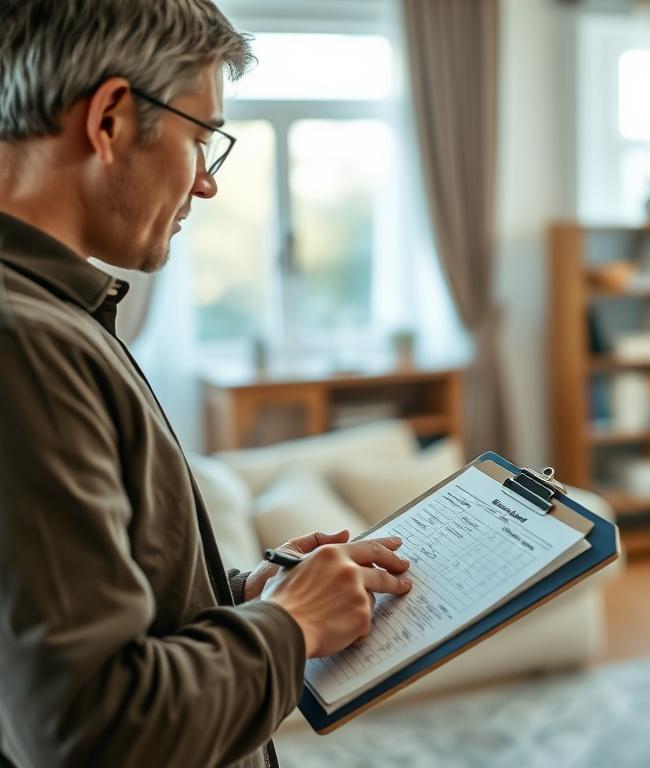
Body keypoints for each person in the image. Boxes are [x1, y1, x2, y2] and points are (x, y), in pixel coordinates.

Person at [0, 1, 415, 766]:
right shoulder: (26, 345)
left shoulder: (57, 317)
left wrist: (240, 596)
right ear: (113, 120)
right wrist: (291, 627)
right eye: (202, 138)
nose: (208, 185)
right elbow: (89, 729)